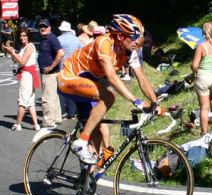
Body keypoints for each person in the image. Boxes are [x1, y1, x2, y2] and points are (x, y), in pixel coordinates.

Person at [58, 14, 161, 164]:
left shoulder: (130, 51)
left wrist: (155, 102)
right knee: (109, 97)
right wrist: (136, 101)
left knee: (98, 133)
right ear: (120, 36)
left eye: (139, 38)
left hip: (88, 82)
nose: (137, 43)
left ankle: (88, 179)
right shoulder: (104, 42)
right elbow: (112, 77)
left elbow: (142, 78)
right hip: (68, 79)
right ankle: (80, 143)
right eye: (133, 38)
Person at [3, 28, 40, 131]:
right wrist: (11, 51)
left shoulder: (29, 46)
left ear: (28, 36)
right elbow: (16, 60)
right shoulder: (24, 47)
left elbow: (22, 62)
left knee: (22, 101)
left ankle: (18, 124)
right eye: (21, 36)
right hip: (28, 75)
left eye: (24, 35)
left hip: (27, 75)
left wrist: (13, 53)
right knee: (30, 101)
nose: (22, 37)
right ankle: (36, 124)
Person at [191, 22, 212, 135]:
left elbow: (194, 66)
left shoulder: (201, 46)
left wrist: (194, 71)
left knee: (204, 107)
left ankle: (204, 133)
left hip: (204, 78)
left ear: (204, 32)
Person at [37, 19, 64, 127]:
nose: (43, 28)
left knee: (47, 98)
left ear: (49, 27)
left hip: (50, 73)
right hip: (50, 73)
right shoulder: (44, 38)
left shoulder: (51, 38)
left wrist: (51, 66)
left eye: (45, 26)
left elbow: (61, 53)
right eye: (41, 27)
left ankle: (48, 122)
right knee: (53, 97)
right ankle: (57, 118)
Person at [57, 20, 83, 120]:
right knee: (72, 90)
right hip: (74, 68)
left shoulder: (58, 39)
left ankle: (62, 112)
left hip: (62, 67)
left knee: (61, 91)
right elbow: (82, 51)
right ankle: (72, 113)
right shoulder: (77, 40)